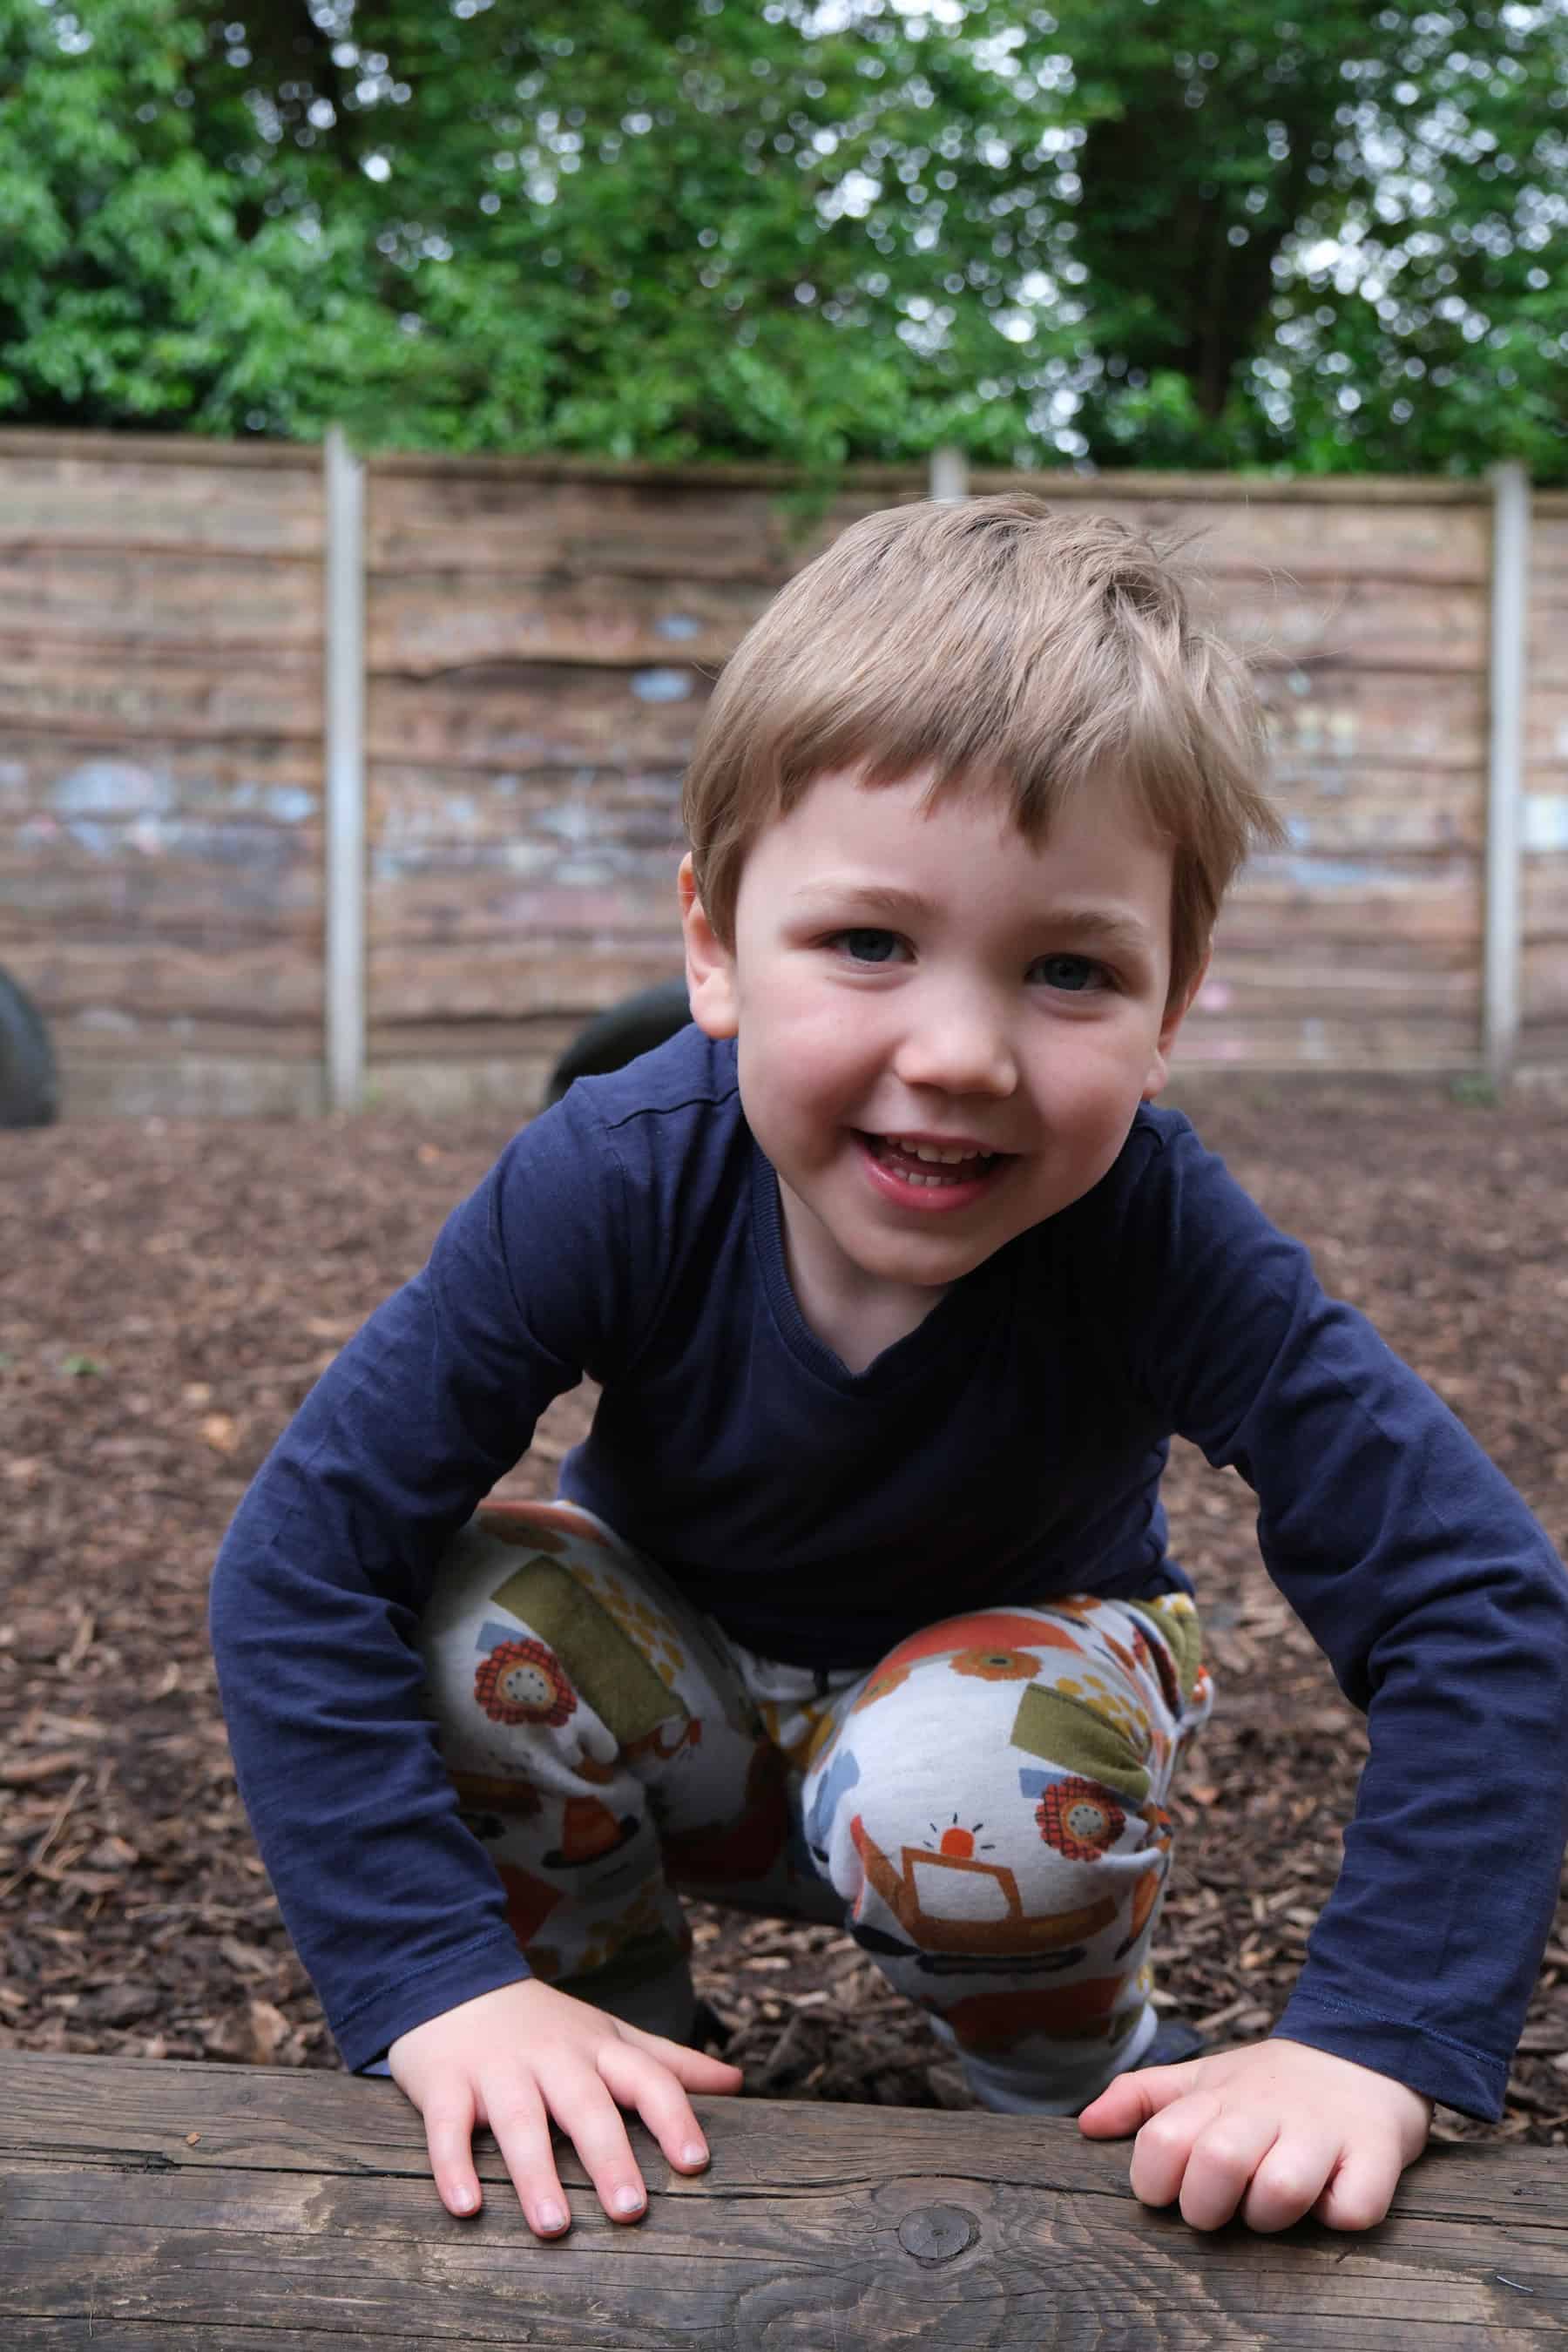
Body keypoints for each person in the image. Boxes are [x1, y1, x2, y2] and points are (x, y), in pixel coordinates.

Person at [210, 495, 1568, 2246]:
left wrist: (1376, 2042)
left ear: (1173, 1002)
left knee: (959, 1765)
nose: (957, 1053)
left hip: (992, 1766)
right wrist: (431, 1982)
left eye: (1068, 969)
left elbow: (1482, 1609)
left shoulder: (1157, 1232)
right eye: (869, 944)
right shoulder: (616, 1173)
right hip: (668, 1699)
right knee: (471, 1614)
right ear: (713, 944)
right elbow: (304, 1561)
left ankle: (1053, 2093)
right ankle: (604, 2051)